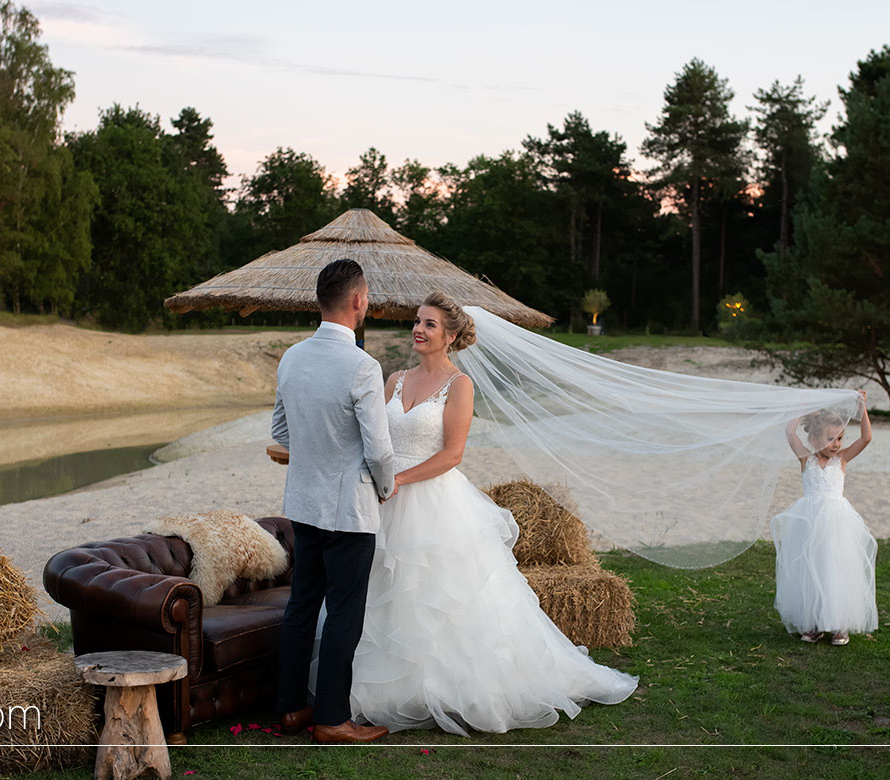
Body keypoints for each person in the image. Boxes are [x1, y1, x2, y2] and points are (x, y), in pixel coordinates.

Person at [339, 290, 638, 736]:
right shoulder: (394, 378)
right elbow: (377, 439)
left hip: (430, 500)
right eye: (417, 321)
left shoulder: (459, 386)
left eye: (430, 324)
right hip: (382, 500)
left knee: (435, 597)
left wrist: (400, 480)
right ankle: (379, 690)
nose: (418, 329)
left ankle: (441, 687)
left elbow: (453, 455)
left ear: (452, 336)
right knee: (381, 590)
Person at [272, 258, 397, 744]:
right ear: (359, 300)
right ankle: (331, 718)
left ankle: (289, 709)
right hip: (349, 511)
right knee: (345, 611)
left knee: (301, 605)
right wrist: (386, 487)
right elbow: (379, 448)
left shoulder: (291, 358)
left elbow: (281, 431)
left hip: (303, 505)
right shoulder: (363, 366)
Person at [772, 394, 876, 645]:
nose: (836, 444)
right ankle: (813, 622)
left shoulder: (842, 461)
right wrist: (799, 406)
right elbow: (790, 434)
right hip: (809, 524)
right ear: (813, 439)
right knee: (811, 569)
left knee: (835, 569)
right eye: (830, 439)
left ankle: (839, 624)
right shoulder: (806, 460)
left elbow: (866, 438)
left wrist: (862, 411)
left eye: (839, 438)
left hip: (836, 526)